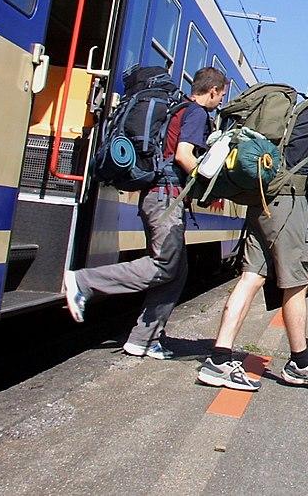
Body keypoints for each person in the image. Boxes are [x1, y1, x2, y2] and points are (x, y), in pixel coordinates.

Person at [197, 68, 308, 390]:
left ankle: (219, 359)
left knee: (251, 277)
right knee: (295, 283)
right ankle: (301, 363)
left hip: (263, 201)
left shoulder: (291, 111)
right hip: (292, 205)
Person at [63, 66, 227, 359]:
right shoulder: (197, 113)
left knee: (176, 271)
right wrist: (209, 186)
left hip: (158, 196)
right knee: (165, 265)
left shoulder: (178, 108)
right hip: (166, 197)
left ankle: (144, 339)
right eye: (222, 95)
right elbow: (184, 155)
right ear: (213, 90)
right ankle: (84, 282)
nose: (221, 100)